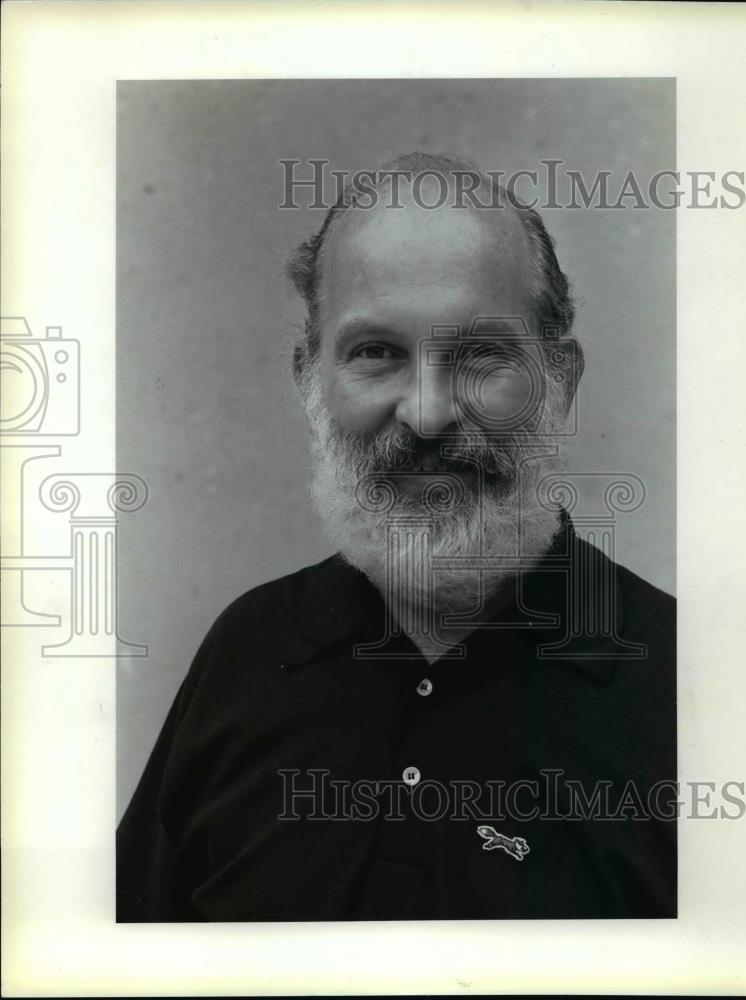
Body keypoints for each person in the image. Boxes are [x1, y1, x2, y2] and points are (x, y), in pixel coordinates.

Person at [117, 152, 676, 921]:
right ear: (308, 381)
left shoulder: (699, 694)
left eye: (481, 354)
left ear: (561, 382)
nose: (427, 414)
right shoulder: (248, 646)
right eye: (376, 353)